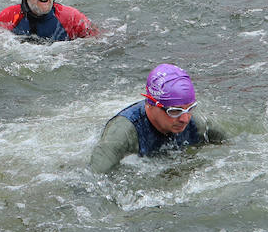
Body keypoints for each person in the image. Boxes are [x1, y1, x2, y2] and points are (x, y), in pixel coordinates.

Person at [89, 63, 227, 173]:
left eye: (190, 108)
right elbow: (93, 179)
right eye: (175, 111)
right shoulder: (122, 134)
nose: (185, 118)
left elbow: (232, 150)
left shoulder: (198, 124)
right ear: (151, 104)